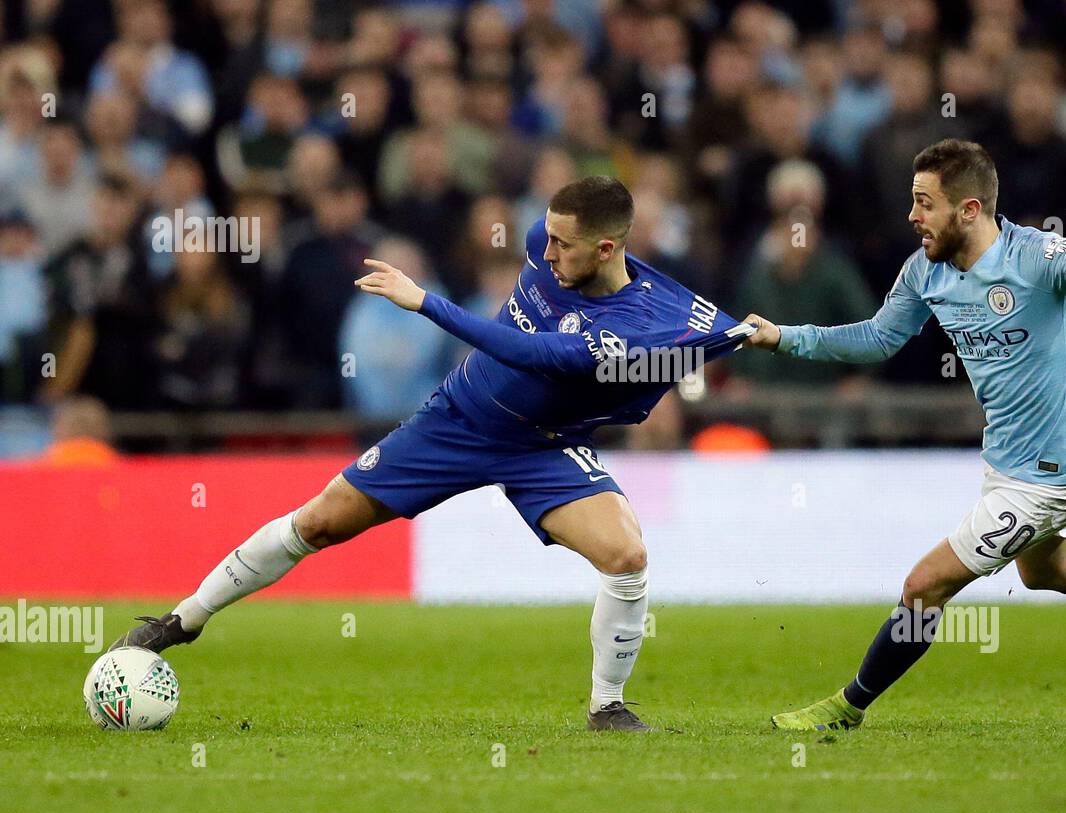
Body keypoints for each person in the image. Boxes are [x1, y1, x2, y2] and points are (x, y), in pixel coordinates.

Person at [109, 177, 752, 732]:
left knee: (628, 554)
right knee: (318, 522)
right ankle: (182, 619)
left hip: (541, 446)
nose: (545, 249)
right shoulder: (544, 245)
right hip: (457, 420)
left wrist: (425, 303)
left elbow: (531, 353)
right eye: (548, 236)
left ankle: (607, 706)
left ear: (606, 248)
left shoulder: (627, 323)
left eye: (563, 243)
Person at [742, 139, 1066, 731]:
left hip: (1053, 475)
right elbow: (877, 338)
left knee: (923, 587)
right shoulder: (925, 270)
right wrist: (783, 337)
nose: (912, 216)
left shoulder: (1034, 257)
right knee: (1051, 572)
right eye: (912, 201)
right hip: (1006, 463)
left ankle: (846, 708)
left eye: (925, 203)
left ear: (969, 210)